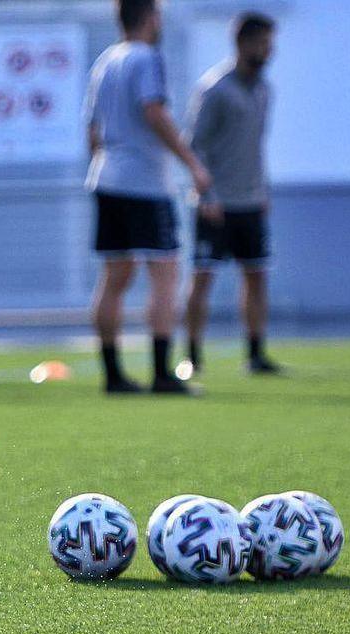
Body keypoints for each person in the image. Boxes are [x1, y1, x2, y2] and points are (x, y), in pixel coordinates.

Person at [83, 0, 213, 394]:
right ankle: (160, 372)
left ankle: (112, 375)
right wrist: (191, 163)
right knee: (165, 273)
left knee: (114, 276)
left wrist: (106, 167)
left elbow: (92, 128)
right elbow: (154, 111)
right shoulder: (147, 58)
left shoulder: (106, 60)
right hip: (144, 183)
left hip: (107, 178)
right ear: (150, 17)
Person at [183, 12, 280, 375]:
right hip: (215, 204)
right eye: (263, 43)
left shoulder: (264, 90)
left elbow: (256, 147)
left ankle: (255, 354)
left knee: (256, 276)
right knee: (202, 278)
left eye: (271, 44)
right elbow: (195, 146)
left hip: (251, 201)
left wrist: (263, 189)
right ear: (243, 43)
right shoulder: (215, 89)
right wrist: (206, 196)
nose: (269, 50)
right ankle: (192, 357)